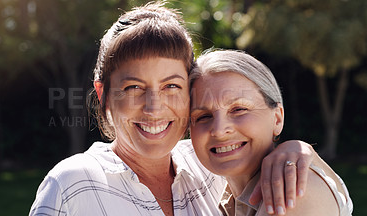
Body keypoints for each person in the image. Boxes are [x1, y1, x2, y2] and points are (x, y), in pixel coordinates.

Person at [29, 2, 316, 216]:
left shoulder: (210, 165)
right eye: (133, 88)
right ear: (103, 94)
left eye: (171, 86)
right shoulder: (73, 185)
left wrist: (298, 149)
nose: (154, 108)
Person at [189, 49, 353, 215]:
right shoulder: (221, 197)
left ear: (277, 119)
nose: (219, 130)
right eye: (203, 117)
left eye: (239, 109)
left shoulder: (293, 189)